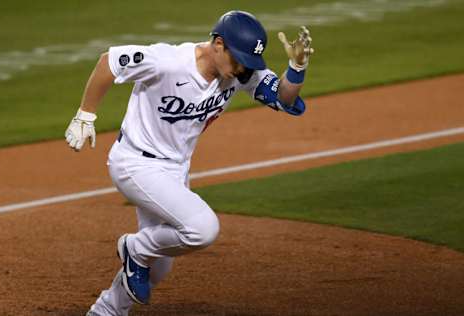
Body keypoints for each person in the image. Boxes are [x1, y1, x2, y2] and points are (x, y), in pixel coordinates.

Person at [65, 10, 314, 316]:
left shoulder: (239, 73)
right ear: (219, 44)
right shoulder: (168, 62)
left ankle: (105, 311)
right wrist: (85, 116)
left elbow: (285, 98)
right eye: (238, 60)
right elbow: (109, 61)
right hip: (135, 164)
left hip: (174, 171)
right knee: (202, 228)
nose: (241, 70)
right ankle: (134, 247)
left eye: (248, 64)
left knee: (157, 271)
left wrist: (297, 67)